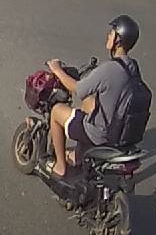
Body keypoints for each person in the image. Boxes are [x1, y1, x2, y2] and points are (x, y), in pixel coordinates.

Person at [45, 15, 141, 178]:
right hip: (120, 132)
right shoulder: (132, 67)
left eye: (111, 33)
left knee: (56, 111)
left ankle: (60, 166)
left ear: (118, 40)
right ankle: (78, 156)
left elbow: (77, 89)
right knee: (89, 102)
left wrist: (57, 70)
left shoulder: (110, 68)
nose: (108, 36)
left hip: (101, 134)